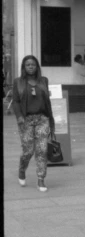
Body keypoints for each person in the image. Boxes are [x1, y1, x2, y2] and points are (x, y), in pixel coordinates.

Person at [12, 55, 55, 193]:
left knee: (42, 150)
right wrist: (19, 117)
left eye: (33, 64)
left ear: (37, 67)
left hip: (42, 119)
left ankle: (41, 179)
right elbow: (16, 101)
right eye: (27, 65)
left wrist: (50, 119)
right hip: (26, 120)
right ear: (24, 67)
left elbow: (47, 100)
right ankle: (22, 168)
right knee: (28, 151)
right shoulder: (18, 82)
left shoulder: (43, 81)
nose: (30, 67)